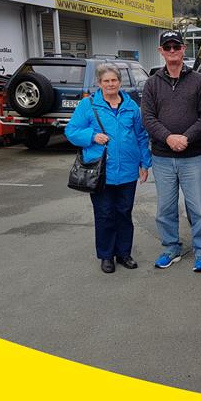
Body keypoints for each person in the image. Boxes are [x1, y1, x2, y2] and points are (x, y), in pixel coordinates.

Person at [65, 63, 151, 273]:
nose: (110, 84)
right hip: (101, 172)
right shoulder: (88, 105)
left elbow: (141, 136)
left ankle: (124, 254)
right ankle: (106, 256)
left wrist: (144, 163)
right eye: (106, 81)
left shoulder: (131, 107)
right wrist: (92, 136)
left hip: (128, 171)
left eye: (114, 80)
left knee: (124, 213)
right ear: (99, 83)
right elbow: (71, 131)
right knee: (105, 214)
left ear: (120, 82)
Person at [142, 31, 201, 272]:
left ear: (184, 49)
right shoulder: (152, 83)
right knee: (165, 209)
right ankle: (171, 248)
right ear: (160, 51)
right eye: (167, 47)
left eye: (176, 46)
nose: (172, 51)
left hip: (192, 156)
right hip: (162, 158)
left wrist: (186, 138)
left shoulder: (199, 81)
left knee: (199, 209)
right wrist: (168, 137)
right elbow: (148, 118)